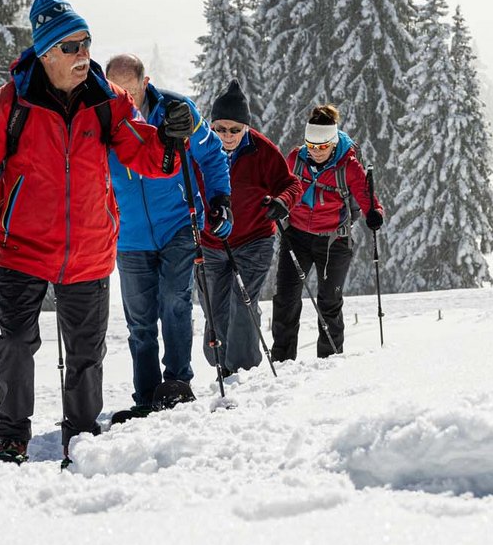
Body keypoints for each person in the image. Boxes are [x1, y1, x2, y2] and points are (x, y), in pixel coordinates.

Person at [0, 0, 189, 466]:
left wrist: (169, 138)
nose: (82, 54)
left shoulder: (106, 103)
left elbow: (146, 156)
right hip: (20, 248)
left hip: (88, 247)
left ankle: (82, 436)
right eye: (70, 46)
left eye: (86, 43)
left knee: (87, 352)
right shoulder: (10, 104)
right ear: (45, 53)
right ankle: (11, 438)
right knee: (16, 344)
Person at [103, 53, 232, 421]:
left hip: (178, 222)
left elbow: (212, 156)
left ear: (146, 83)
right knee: (140, 320)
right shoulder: (104, 120)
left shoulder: (177, 110)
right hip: (129, 235)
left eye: (130, 90)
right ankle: (146, 393)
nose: (124, 97)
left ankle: (177, 383)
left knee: (175, 301)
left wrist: (220, 199)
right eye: (116, 90)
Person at [197, 80, 300, 384]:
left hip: (254, 239)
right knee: (214, 308)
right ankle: (221, 365)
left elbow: (290, 184)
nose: (226, 136)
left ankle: (241, 373)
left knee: (241, 302)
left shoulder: (261, 150)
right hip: (210, 241)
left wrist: (281, 203)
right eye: (220, 128)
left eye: (234, 129)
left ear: (245, 128)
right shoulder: (199, 148)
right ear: (210, 125)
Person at [272, 104, 385, 362]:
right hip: (296, 236)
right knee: (286, 300)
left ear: (333, 143)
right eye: (311, 145)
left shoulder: (349, 166)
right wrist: (277, 204)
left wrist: (374, 214)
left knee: (329, 303)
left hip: (334, 241)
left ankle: (330, 361)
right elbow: (282, 187)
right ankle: (281, 360)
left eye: (322, 147)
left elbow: (368, 198)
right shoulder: (295, 159)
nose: (316, 151)